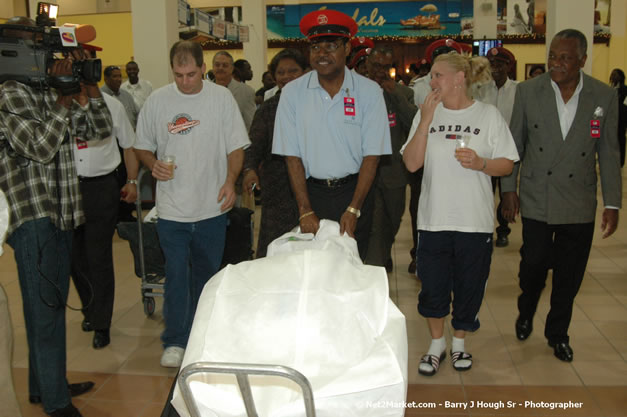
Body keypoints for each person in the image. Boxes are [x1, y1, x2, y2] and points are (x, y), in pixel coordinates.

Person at [0, 16, 112, 417]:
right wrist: (64, 100)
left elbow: (100, 128)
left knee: (49, 307)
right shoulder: (8, 93)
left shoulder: (49, 90)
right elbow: (39, 146)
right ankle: (57, 403)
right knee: (44, 309)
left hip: (61, 211)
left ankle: (44, 386)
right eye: (43, 49)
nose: (52, 57)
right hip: (32, 216)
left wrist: (87, 87)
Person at [501, 29, 621, 363]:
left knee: (569, 275)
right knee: (534, 265)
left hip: (579, 200)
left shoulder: (603, 96)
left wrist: (612, 203)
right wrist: (509, 190)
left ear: (583, 60)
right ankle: (526, 309)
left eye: (564, 58)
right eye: (552, 56)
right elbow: (515, 144)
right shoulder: (529, 92)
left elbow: (609, 153)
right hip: (538, 195)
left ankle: (558, 333)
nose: (555, 63)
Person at [401, 51, 519, 376]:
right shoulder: (426, 114)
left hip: (474, 221)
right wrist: (425, 121)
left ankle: (459, 344)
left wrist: (481, 163)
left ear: (459, 78)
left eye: (438, 75)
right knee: (433, 287)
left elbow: (507, 162)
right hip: (433, 220)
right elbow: (412, 163)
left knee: (470, 286)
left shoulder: (488, 115)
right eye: (432, 76)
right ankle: (436, 344)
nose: (432, 81)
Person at [134, 40, 249, 368]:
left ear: (203, 68)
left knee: (206, 273)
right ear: (172, 70)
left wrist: (230, 180)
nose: (185, 81)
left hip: (212, 206)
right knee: (175, 274)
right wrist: (151, 163)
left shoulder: (220, 98)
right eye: (179, 75)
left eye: (192, 74)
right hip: (172, 208)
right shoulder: (157, 101)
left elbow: (236, 147)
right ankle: (175, 340)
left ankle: (203, 336)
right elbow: (141, 146)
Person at [272, 9, 391, 261]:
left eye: (331, 45)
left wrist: (354, 208)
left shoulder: (369, 92)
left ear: (347, 48)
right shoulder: (293, 93)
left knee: (353, 268)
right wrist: (305, 210)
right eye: (316, 47)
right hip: (310, 194)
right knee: (314, 272)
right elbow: (291, 156)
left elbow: (372, 156)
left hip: (356, 192)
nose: (322, 53)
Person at [70, 91, 139, 350]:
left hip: (101, 187)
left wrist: (131, 181)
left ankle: (102, 323)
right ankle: (90, 310)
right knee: (74, 257)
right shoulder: (60, 101)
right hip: (69, 188)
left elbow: (128, 145)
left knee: (98, 255)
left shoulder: (112, 106)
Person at [242, 49, 307, 258]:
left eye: (293, 71)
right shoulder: (268, 109)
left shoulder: (317, 105)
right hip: (277, 190)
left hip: (312, 189)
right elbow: (253, 145)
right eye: (281, 72)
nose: (286, 77)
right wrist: (250, 169)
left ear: (306, 72)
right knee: (275, 251)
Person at [407, 39, 462, 274]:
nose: (434, 82)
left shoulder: (476, 91)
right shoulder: (420, 86)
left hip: (462, 164)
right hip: (427, 158)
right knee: (421, 204)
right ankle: (418, 251)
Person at [364, 45, 417, 271]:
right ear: (367, 66)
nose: (380, 71)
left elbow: (414, 124)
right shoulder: (356, 91)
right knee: (373, 222)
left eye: (385, 67)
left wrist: (394, 94)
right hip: (364, 170)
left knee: (394, 218)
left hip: (394, 171)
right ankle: (374, 263)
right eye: (376, 66)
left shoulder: (403, 93)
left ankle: (382, 253)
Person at [474, 46, 519, 248]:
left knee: (506, 193)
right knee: (486, 192)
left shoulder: (518, 90)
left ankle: (503, 230)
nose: (496, 69)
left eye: (500, 64)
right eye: (492, 65)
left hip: (510, 151)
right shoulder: (481, 91)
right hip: (486, 152)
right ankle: (485, 228)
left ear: (508, 66)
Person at [213, 51, 256, 131]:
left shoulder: (246, 92)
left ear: (232, 69)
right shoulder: (204, 90)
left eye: (225, 65)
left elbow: (250, 124)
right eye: (217, 65)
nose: (220, 68)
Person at [609, 68, 626, 166]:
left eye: (615, 75)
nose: (612, 76)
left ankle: (620, 161)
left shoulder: (625, 90)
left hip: (621, 120)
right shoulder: (609, 89)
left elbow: (625, 106)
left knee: (620, 139)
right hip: (610, 119)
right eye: (612, 74)